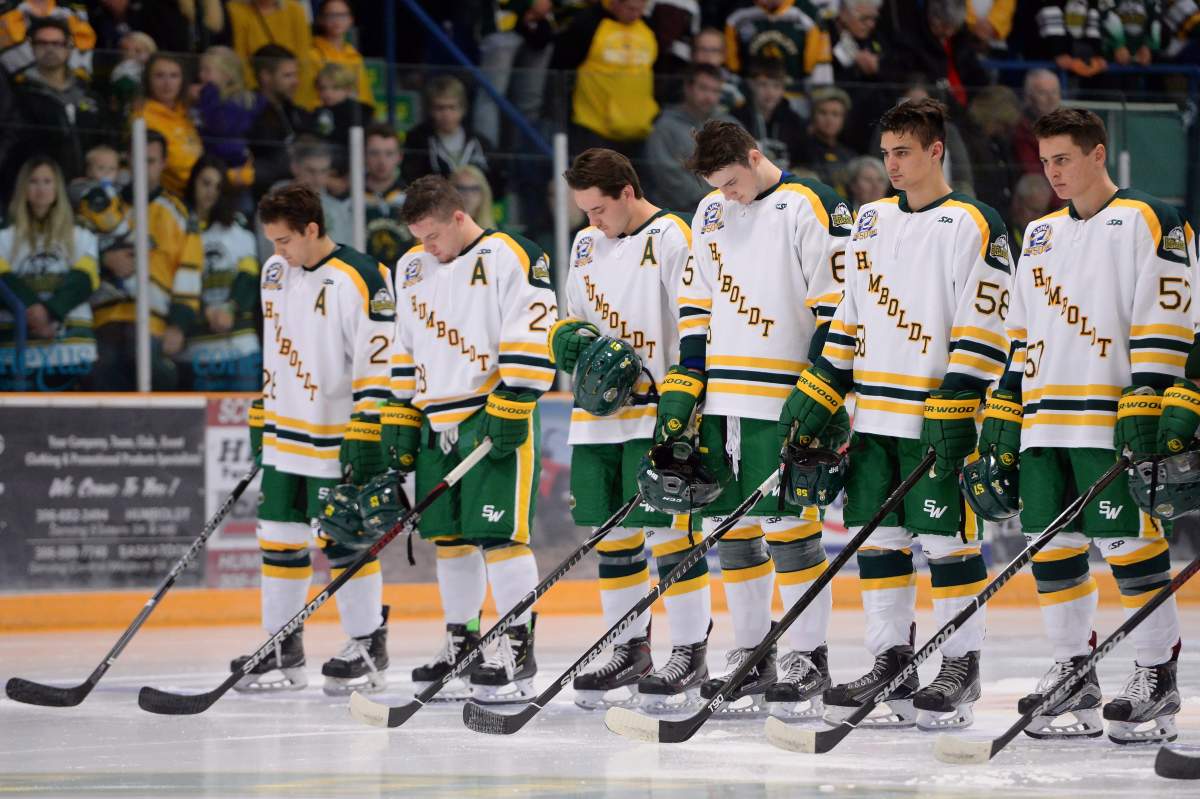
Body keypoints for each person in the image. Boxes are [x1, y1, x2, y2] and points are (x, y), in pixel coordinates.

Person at [779, 98, 1013, 731]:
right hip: (873, 418)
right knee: (877, 542)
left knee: (947, 542)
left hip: (937, 419)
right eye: (886, 153)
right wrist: (824, 385)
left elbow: (990, 322)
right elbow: (850, 313)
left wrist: (961, 398)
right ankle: (892, 661)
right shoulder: (872, 221)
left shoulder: (974, 223)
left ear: (936, 150)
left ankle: (961, 667)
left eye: (903, 152)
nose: (891, 165)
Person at [984, 108, 1189, 743]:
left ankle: (1157, 675)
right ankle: (1074, 671)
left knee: (1127, 542)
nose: (1053, 173)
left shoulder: (1148, 218)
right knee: (1051, 545)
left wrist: (1151, 397)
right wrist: (1005, 409)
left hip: (1112, 417)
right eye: (1045, 161)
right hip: (1046, 418)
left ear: (1098, 154)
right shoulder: (1039, 234)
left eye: (1064, 159)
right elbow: (1019, 334)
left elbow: (1169, 314)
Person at [667, 120, 853, 716]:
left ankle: (808, 656)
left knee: (792, 532)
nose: (726, 195)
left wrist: (823, 388)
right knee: (735, 531)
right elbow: (696, 301)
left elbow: (837, 309)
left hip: (786, 400)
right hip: (724, 402)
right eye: (715, 186)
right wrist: (690, 376)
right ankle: (752, 654)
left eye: (731, 182)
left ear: (755, 156)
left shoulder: (810, 205)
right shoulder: (709, 214)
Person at [551, 148, 714, 710]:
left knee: (670, 534)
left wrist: (684, 402)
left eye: (598, 209)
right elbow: (574, 317)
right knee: (611, 537)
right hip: (597, 417)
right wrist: (565, 339)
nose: (591, 221)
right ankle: (629, 648)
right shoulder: (584, 243)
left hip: (656, 410)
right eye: (583, 211)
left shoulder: (672, 236)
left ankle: (690, 650)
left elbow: (696, 324)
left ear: (626, 190)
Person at [386, 175, 556, 703]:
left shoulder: (512, 254)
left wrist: (516, 399)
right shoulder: (411, 268)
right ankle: (462, 641)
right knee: (450, 538)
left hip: (491, 415)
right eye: (417, 237)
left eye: (432, 235)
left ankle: (516, 644)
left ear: (459, 217)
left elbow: (535, 331)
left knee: (501, 537)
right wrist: (399, 410)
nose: (425, 247)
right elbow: (405, 343)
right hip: (437, 420)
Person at [238, 182, 394, 695]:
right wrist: (264, 412)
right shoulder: (273, 273)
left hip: (337, 436)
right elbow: (275, 351)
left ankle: (367, 645)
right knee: (278, 538)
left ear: (312, 229)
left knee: (344, 538)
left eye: (284, 240)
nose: (276, 252)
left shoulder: (364, 277)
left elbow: (379, 365)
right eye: (270, 242)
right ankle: (281, 646)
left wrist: (367, 429)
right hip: (286, 432)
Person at [90, 131, 202, 390]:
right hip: (105, 320)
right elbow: (78, 253)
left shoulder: (179, 213)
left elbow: (189, 273)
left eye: (150, 161)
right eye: (137, 160)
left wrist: (178, 325)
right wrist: (103, 260)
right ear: (127, 160)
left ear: (163, 163)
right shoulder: (103, 204)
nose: (143, 168)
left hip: (153, 324)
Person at [0, 156, 98, 390]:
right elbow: (3, 279)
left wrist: (50, 312)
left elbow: (85, 279)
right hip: (15, 352)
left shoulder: (81, 231)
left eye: (47, 181)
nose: (41, 189)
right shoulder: (4, 232)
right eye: (34, 182)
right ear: (23, 187)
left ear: (58, 188)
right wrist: (33, 309)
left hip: (72, 353)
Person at [177, 156, 260, 391]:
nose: (210, 192)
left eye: (218, 186)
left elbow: (249, 278)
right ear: (193, 183)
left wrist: (229, 308)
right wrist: (206, 310)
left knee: (245, 427)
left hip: (240, 349)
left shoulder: (237, 229)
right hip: (195, 353)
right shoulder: (177, 229)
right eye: (205, 183)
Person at [10, 17, 110, 186]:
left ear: (69, 47)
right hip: (39, 189)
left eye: (57, 43)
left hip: (92, 188)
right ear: (32, 47)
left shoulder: (89, 93)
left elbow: (106, 139)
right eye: (42, 43)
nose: (49, 49)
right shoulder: (18, 94)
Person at [551, 0, 659, 156]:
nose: (636, 14)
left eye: (641, 9)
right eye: (630, 8)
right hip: (593, 128)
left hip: (638, 128)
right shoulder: (587, 23)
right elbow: (561, 66)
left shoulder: (648, 27)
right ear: (614, 3)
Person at [643, 63, 738, 210]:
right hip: (680, 215)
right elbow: (670, 180)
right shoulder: (665, 127)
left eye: (715, 91)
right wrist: (714, 200)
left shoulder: (729, 123)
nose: (709, 97)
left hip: (729, 207)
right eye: (703, 88)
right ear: (688, 88)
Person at [400, 75, 505, 200]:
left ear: (463, 109)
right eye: (440, 108)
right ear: (430, 110)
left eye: (452, 107)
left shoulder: (481, 143)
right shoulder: (417, 141)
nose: (446, 114)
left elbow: (496, 185)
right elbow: (412, 183)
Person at [192, 45, 263, 191]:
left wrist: (208, 92)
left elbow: (218, 126)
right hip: (209, 166)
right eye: (201, 70)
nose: (201, 75)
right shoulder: (206, 99)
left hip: (233, 168)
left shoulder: (240, 101)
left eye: (207, 70)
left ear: (227, 74)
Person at [247, 44, 312, 199]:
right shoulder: (248, 112)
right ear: (266, 76)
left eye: (296, 75)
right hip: (263, 197)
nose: (296, 82)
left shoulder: (295, 112)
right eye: (288, 76)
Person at [137, 52, 203, 198]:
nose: (168, 83)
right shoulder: (143, 116)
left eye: (174, 76)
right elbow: (174, 167)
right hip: (171, 195)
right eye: (159, 76)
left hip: (200, 187)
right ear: (148, 80)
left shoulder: (186, 112)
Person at [724, 0, 833, 87]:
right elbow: (731, 69)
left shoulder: (809, 13)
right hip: (750, 97)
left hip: (795, 96)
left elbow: (820, 71)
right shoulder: (737, 13)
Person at [731, 58, 807, 172]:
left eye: (776, 86)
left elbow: (801, 161)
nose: (770, 92)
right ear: (751, 84)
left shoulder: (794, 122)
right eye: (763, 85)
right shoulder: (737, 118)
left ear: (783, 89)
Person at [297, 0, 373, 110]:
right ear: (321, 19)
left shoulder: (355, 56)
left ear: (351, 19)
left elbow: (364, 97)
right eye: (331, 15)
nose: (337, 20)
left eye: (342, 15)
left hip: (352, 116)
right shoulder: (312, 55)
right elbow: (308, 99)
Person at [0, 0, 95, 81]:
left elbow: (82, 60)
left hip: (62, 88)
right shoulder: (7, 13)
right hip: (14, 85)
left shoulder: (70, 13)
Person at [227, 0, 313, 90]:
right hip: (256, 91)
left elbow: (303, 60)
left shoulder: (295, 10)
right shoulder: (235, 11)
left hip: (293, 89)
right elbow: (240, 61)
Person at [362, 123, 411, 268]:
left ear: (399, 156)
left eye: (389, 153)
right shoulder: (350, 196)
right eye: (374, 153)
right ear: (363, 155)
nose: (381, 161)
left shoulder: (413, 197)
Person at [800, 86, 856, 199]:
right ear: (813, 116)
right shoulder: (801, 150)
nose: (829, 119)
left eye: (835, 114)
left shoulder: (849, 154)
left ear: (843, 119)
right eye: (823, 113)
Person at [311, 62, 375, 146]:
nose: (328, 93)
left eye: (335, 88)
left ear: (348, 89)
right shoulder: (317, 113)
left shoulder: (359, 113)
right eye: (323, 88)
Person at [1013, 69, 1062, 177]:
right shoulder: (1021, 129)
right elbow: (1033, 173)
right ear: (1028, 97)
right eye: (1043, 92)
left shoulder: (1068, 128)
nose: (1051, 98)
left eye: (1054, 92)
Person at [690, 26, 744, 115]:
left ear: (723, 55)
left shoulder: (737, 85)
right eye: (702, 49)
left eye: (714, 50)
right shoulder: (679, 82)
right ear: (693, 54)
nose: (708, 55)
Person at [450, 164, 496, 229]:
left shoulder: (499, 235)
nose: (468, 194)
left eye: (474, 189)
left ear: (483, 194)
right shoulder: (438, 231)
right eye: (461, 188)